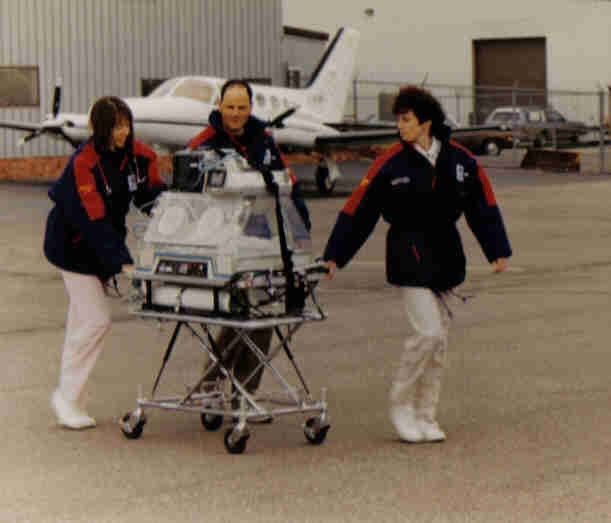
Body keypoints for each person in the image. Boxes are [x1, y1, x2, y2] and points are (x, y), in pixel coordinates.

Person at [322, 86, 511, 443]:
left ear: (426, 121)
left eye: (406, 119)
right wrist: (335, 254)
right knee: (427, 333)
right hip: (407, 254)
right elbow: (359, 210)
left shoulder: (460, 161)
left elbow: (482, 204)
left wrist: (497, 249)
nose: (400, 126)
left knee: (439, 344)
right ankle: (400, 404)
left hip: (446, 255)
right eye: (398, 119)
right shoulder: (390, 163)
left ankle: (426, 415)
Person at [44, 96, 167, 429]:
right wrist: (121, 263)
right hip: (72, 247)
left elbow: (153, 197)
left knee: (82, 323)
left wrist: (179, 220)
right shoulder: (84, 163)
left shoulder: (140, 155)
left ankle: (71, 397)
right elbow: (92, 220)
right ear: (99, 128)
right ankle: (67, 399)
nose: (122, 132)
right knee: (96, 320)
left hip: (101, 246)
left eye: (126, 124)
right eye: (115, 126)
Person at [187, 79, 311, 407]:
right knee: (234, 317)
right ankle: (210, 385)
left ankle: (245, 393)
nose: (236, 114)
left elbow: (287, 185)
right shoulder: (204, 143)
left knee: (263, 315)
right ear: (220, 107)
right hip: (223, 243)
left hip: (262, 241)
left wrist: (301, 229)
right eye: (230, 107)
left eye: (242, 108)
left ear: (251, 108)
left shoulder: (265, 141)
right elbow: (190, 196)